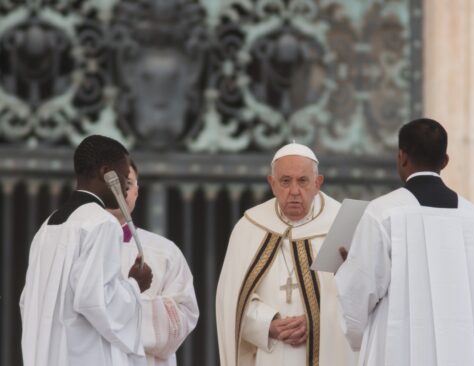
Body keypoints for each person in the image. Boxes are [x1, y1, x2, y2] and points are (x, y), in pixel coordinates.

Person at [335, 118, 474, 365]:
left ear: (402, 156)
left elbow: (359, 290)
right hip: (463, 350)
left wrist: (349, 267)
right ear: (445, 161)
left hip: (399, 351)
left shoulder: (383, 212)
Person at [216, 143, 356, 366]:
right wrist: (267, 324)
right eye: (285, 181)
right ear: (272, 184)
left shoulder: (343, 225)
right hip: (269, 354)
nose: (294, 191)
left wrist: (317, 321)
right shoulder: (249, 228)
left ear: (318, 183)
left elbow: (360, 298)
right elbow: (230, 301)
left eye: (303, 181)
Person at [20, 135, 153, 366]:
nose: (124, 186)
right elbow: (95, 301)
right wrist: (134, 285)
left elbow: (27, 301)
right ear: (106, 172)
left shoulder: (48, 225)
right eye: (123, 177)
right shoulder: (101, 223)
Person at [108, 160, 199, 366]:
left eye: (128, 184)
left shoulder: (164, 252)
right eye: (113, 184)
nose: (120, 191)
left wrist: (107, 312)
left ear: (136, 193)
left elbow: (183, 319)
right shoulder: (74, 246)